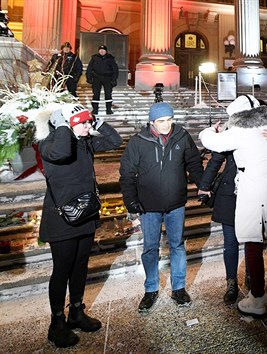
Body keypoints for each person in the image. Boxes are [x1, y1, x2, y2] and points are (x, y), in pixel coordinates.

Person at [199, 95, 267, 318]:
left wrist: (211, 130)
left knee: (252, 243)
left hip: (256, 194)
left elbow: (210, 142)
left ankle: (257, 298)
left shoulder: (240, 131)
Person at [39, 104, 122, 348]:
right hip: (61, 220)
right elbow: (62, 153)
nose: (88, 127)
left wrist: (93, 123)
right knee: (61, 271)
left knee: (79, 267)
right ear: (67, 125)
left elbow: (114, 140)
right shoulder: (50, 143)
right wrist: (64, 123)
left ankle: (76, 312)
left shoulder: (84, 142)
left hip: (84, 215)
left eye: (89, 123)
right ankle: (56, 323)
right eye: (83, 123)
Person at [119, 102, 204, 312]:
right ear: (151, 122)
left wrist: (203, 185)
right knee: (150, 247)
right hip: (148, 206)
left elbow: (193, 163)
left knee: (177, 245)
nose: (166, 125)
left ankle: (179, 288)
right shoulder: (138, 142)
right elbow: (127, 174)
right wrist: (131, 201)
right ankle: (150, 289)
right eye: (161, 121)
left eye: (169, 120)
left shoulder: (182, 137)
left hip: (176, 203)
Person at [86, 45, 118, 115]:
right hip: (97, 78)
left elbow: (115, 70)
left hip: (107, 78)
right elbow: (89, 68)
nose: (102, 51)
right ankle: (95, 109)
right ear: (98, 51)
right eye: (100, 50)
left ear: (106, 51)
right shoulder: (94, 58)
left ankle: (108, 109)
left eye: (103, 50)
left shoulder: (110, 58)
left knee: (108, 94)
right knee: (96, 94)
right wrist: (89, 78)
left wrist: (114, 79)